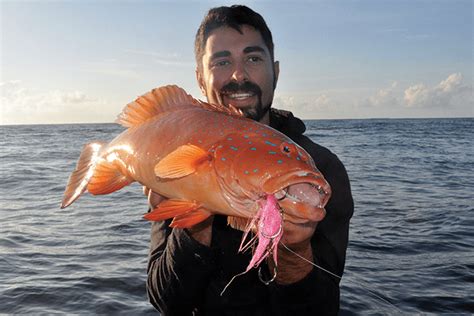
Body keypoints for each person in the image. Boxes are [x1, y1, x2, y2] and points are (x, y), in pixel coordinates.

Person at [145, 5, 353, 315]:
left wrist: (293, 250)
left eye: (254, 58)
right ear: (200, 78)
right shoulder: (178, 156)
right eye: (222, 61)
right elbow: (166, 302)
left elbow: (321, 308)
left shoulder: (319, 169)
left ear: (276, 72)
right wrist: (195, 227)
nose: (238, 75)